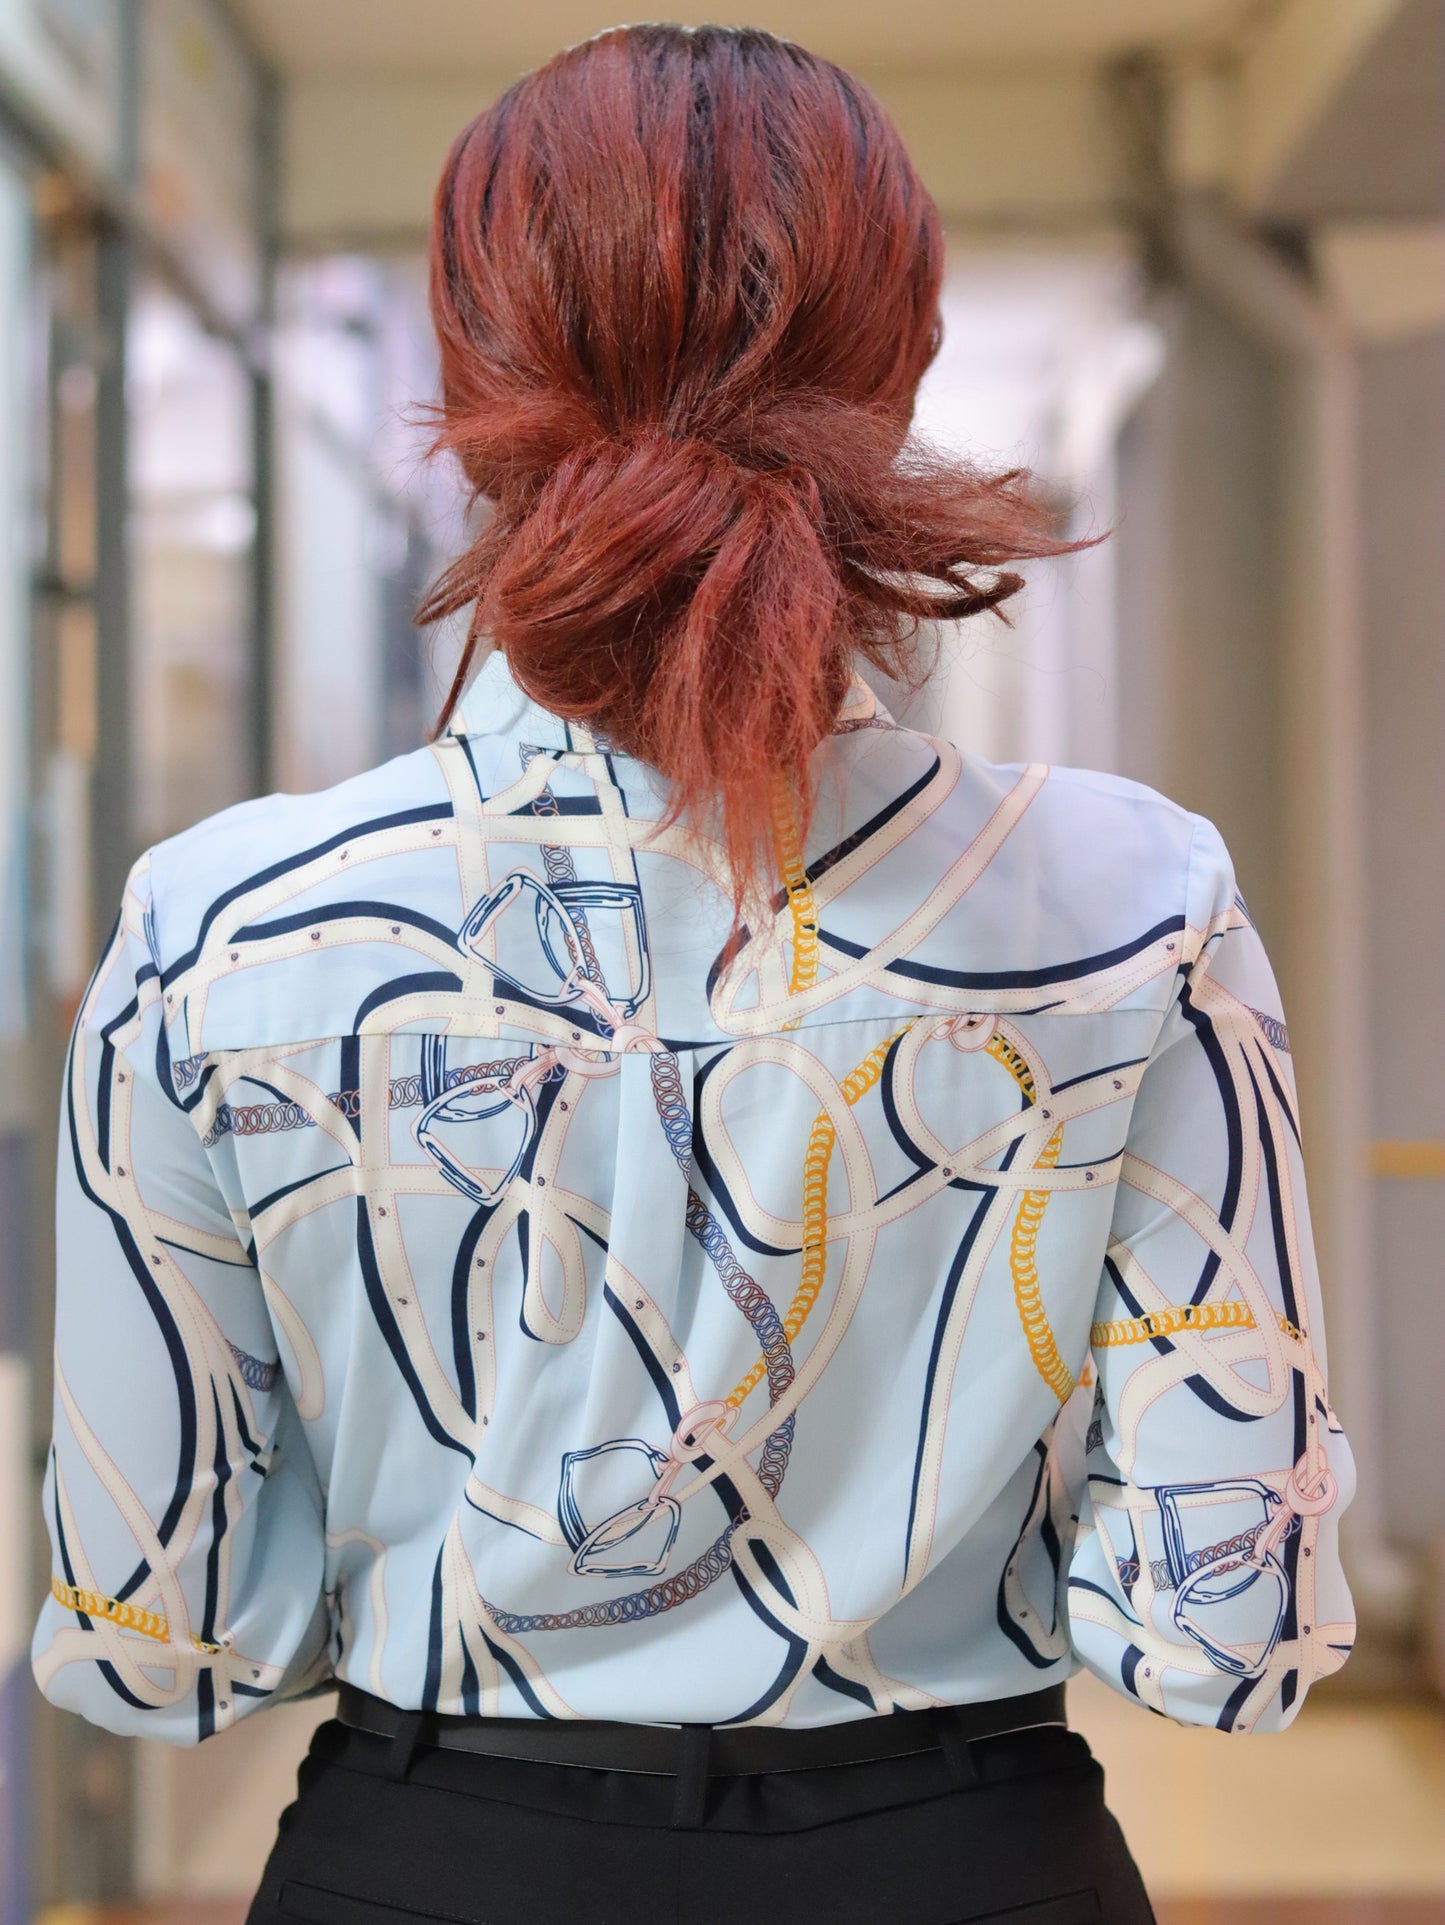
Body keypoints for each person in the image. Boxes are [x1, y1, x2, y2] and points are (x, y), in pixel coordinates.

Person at [32, 24, 1355, 1925]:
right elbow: (1223, 1634)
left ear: (467, 375)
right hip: (964, 1864)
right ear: (901, 366)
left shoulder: (221, 925)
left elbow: (160, 1641)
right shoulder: (1133, 900)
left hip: (427, 1862)